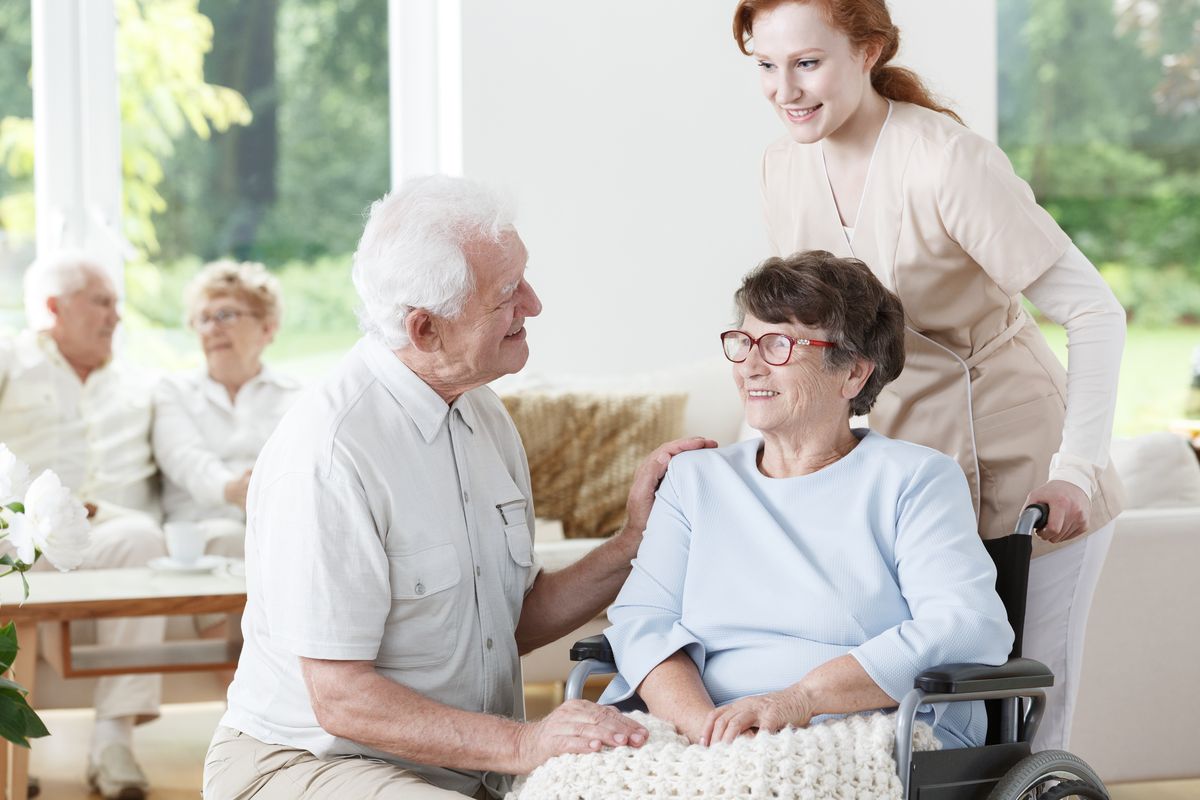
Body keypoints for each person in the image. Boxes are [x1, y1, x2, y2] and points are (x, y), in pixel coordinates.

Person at [203, 175, 716, 799]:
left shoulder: (481, 413)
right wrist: (527, 743)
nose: (534, 303)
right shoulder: (330, 454)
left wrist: (635, 539)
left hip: (455, 769)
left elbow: (506, 623)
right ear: (425, 330)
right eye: (507, 293)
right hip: (305, 762)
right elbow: (341, 700)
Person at [732, 0, 1126, 751]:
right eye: (765, 65)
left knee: (1026, 710)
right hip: (905, 474)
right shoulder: (783, 167)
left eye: (807, 63)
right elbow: (807, 339)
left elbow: (1096, 313)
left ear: (868, 50)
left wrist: (1075, 468)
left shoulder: (949, 162)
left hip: (1025, 465)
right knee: (922, 714)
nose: (785, 89)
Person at [599, 250, 1012, 749]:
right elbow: (643, 622)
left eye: (778, 345)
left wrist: (800, 699)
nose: (750, 365)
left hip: (859, 723)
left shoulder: (916, 479)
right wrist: (706, 733)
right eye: (744, 342)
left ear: (854, 374)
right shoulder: (694, 479)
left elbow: (966, 626)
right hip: (698, 726)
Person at [0, 250, 166, 800]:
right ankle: (9, 750)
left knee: (144, 537)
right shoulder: (12, 357)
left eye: (116, 304)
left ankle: (113, 743)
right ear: (54, 308)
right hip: (15, 529)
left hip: (101, 527)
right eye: (102, 302)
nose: (115, 315)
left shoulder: (135, 380)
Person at [152, 259, 301, 561]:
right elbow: (185, 459)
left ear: (267, 327)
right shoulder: (175, 392)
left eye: (225, 315)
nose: (211, 329)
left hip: (277, 526)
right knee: (231, 538)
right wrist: (233, 489)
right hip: (196, 537)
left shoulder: (297, 397)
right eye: (202, 319)